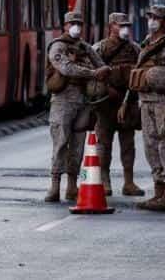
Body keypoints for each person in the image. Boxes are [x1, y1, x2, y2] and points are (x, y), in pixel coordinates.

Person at [126, 4, 165, 213]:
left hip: (162, 102)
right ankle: (158, 192)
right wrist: (128, 102)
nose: (152, 20)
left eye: (157, 18)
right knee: (150, 146)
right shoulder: (146, 43)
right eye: (150, 16)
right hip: (145, 101)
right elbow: (138, 72)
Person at [45, 10, 110, 202]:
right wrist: (92, 73)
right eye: (72, 23)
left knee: (78, 145)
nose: (76, 27)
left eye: (79, 23)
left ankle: (72, 186)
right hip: (63, 101)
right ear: (64, 26)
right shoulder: (57, 46)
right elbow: (65, 68)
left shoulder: (86, 47)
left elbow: (102, 66)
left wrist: (103, 72)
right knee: (60, 143)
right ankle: (54, 186)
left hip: (83, 101)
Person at [92, 12, 144, 197]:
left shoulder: (135, 49)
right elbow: (92, 76)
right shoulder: (100, 48)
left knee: (128, 144)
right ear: (110, 26)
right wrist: (106, 89)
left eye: (126, 26)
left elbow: (141, 72)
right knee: (104, 145)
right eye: (120, 25)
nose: (124, 29)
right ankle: (104, 181)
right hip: (107, 104)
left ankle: (129, 183)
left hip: (128, 102)